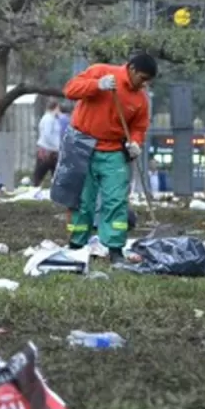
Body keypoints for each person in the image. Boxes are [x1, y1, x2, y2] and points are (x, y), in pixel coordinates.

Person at [58, 54, 155, 264]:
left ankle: (115, 249)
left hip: (113, 151)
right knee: (82, 200)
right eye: (143, 78)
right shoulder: (101, 71)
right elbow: (70, 90)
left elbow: (139, 127)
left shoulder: (140, 100)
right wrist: (96, 85)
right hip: (82, 146)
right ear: (132, 69)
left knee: (116, 200)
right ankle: (76, 245)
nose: (145, 84)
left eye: (148, 81)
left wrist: (136, 143)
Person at [33, 98, 63, 187]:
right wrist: (57, 147)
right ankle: (36, 188)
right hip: (48, 151)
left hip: (52, 151)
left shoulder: (52, 119)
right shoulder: (48, 119)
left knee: (55, 173)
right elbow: (47, 135)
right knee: (40, 173)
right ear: (56, 108)